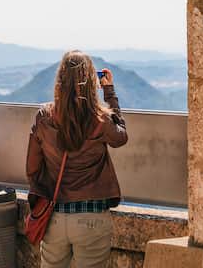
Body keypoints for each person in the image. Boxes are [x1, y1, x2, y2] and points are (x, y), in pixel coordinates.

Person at [26, 51, 128, 268]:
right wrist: (109, 93)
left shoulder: (44, 116)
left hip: (54, 216)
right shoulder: (101, 118)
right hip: (92, 217)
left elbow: (32, 168)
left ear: (60, 81)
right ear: (91, 81)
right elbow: (121, 137)